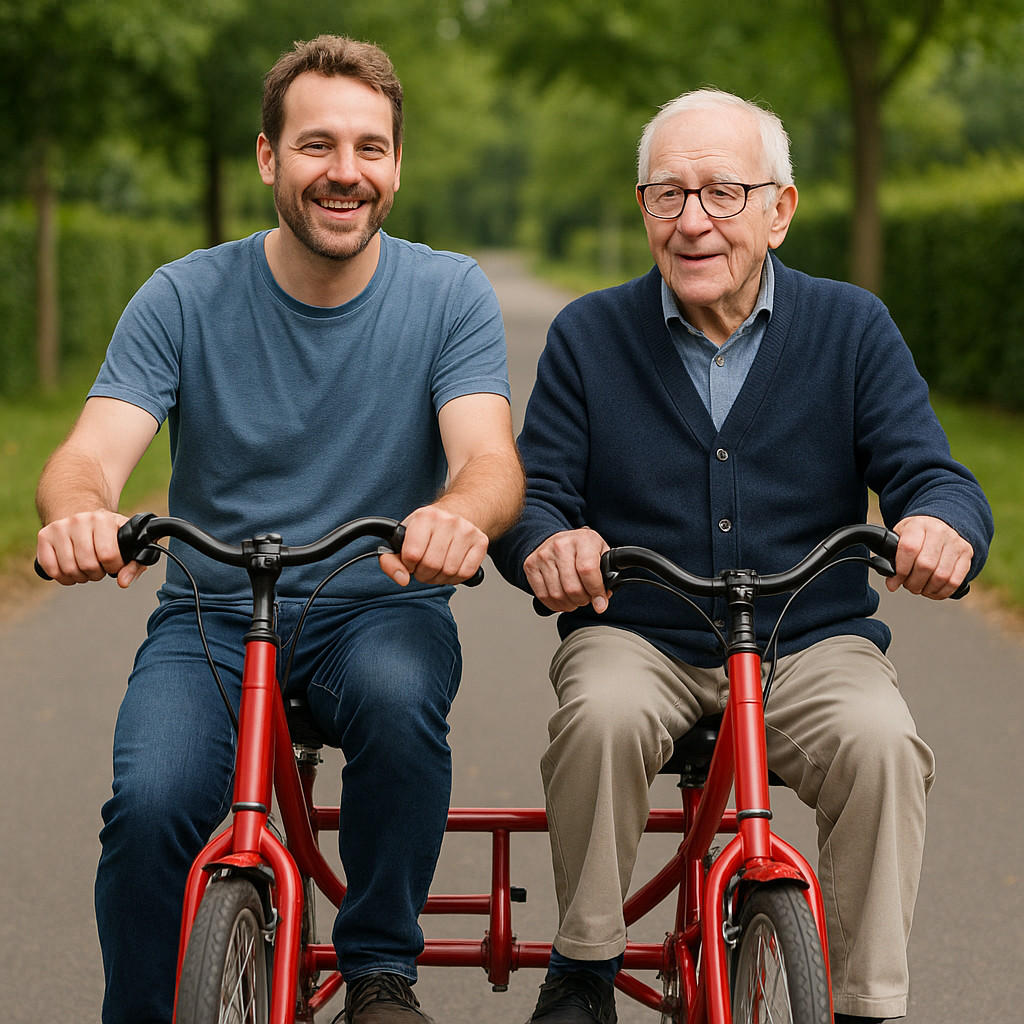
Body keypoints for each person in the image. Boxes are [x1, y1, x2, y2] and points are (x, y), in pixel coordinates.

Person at [35, 35, 524, 1024]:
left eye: (371, 148)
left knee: (397, 704)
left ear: (396, 166)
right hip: (213, 613)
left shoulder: (448, 294)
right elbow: (87, 456)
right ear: (268, 158)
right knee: (150, 805)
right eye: (316, 145)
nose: (345, 171)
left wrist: (456, 517)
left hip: (376, 604)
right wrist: (80, 514)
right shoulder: (182, 295)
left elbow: (486, 460)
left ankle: (379, 966)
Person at [490, 88, 993, 1024]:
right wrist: (550, 543)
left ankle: (867, 1004)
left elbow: (935, 476)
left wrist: (942, 525)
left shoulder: (852, 328)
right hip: (637, 635)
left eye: (724, 193)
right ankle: (584, 970)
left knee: (882, 745)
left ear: (780, 210)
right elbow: (534, 501)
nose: (694, 222)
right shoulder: (589, 337)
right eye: (667, 195)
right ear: (643, 209)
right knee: (598, 714)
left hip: (812, 642)